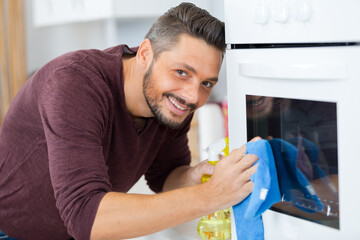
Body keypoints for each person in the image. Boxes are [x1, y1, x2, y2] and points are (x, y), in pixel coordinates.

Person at [0, 3, 259, 240]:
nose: (193, 96)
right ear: (145, 53)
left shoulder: (173, 102)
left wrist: (194, 176)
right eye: (181, 72)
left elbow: (165, 177)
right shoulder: (74, 83)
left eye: (206, 83)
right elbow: (85, 216)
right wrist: (211, 195)